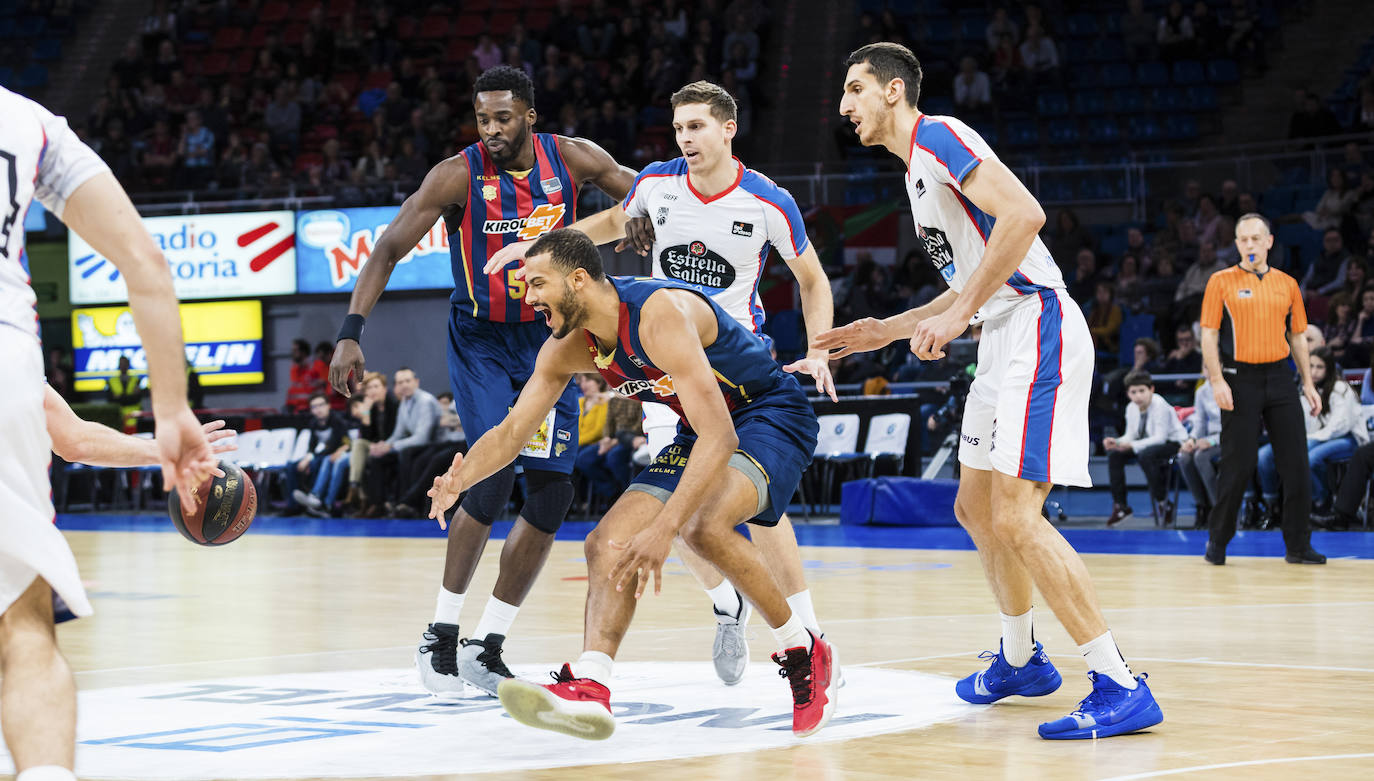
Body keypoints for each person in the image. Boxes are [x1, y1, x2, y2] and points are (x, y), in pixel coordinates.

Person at [819, 43, 1162, 739]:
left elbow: (1025, 215)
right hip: (1002, 330)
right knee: (975, 505)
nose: (844, 105)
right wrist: (888, 328)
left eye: (854, 89)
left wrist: (954, 313)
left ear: (893, 90)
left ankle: (1119, 681)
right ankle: (1020, 659)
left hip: (1039, 322)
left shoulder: (940, 135)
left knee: (1015, 513)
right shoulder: (917, 175)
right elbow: (969, 285)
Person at [485, 79, 838, 687]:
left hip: (733, 363)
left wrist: (818, 349)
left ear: (729, 127)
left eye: (697, 127)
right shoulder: (656, 183)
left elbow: (812, 279)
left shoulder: (767, 200)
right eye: (678, 129)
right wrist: (532, 246)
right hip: (657, 365)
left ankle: (808, 633)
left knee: (753, 513)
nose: (686, 139)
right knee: (672, 507)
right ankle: (726, 607)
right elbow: (613, 221)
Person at [426, 229, 837, 739]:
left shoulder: (657, 315)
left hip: (769, 414)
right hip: (700, 428)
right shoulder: (567, 347)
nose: (528, 297)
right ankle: (593, 684)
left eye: (537, 284)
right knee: (606, 543)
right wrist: (458, 481)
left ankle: (804, 648)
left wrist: (664, 529)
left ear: (578, 280)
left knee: (702, 527)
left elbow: (721, 435)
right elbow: (511, 433)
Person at [328, 65, 637, 697]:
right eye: (481, 118)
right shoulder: (457, 174)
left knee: (552, 496)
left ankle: (485, 643)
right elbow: (387, 248)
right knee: (492, 478)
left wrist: (649, 214)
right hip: (482, 340)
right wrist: (351, 331)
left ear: (529, 115)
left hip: (552, 338)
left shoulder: (572, 159)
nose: (491, 129)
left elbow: (639, 190)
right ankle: (440, 634)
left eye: (502, 117)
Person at [1, 86, 215, 781]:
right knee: (23, 625)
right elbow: (146, 263)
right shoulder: (26, 120)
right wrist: (171, 410)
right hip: (6, 359)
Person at [1199, 212, 1326, 565]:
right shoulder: (1220, 281)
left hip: (1280, 377)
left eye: (1256, 238)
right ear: (1237, 244)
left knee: (1297, 464)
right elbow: (1208, 335)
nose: (1250, 245)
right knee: (1238, 465)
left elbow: (1298, 337)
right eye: (1243, 239)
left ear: (1269, 241)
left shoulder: (1287, 284)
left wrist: (1309, 384)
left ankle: (1298, 546)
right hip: (1239, 379)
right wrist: (1217, 380)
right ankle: (1218, 542)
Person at [1255, 347, 1360, 519]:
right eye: (1311, 366)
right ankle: (1272, 505)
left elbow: (1339, 427)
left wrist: (1308, 439)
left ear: (1329, 368)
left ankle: (1321, 501)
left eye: (1320, 367)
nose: (1314, 372)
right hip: (1314, 438)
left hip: (1346, 438)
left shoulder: (1341, 388)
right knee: (1265, 455)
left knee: (1308, 457)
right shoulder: (1304, 389)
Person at [1103, 371, 1188, 526]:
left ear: (1151, 389)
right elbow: (1131, 435)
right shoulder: (1131, 408)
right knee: (1115, 456)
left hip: (1173, 442)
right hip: (1145, 444)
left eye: (1142, 391)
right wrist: (1117, 442)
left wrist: (1131, 445)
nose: (1138, 396)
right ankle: (1121, 506)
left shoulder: (1159, 404)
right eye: (1133, 392)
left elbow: (1160, 438)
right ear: (1128, 394)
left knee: (1145, 456)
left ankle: (1164, 503)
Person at [360, 367, 440, 515]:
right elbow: (398, 433)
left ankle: (405, 503)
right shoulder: (405, 401)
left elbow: (423, 437)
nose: (404, 385)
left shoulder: (425, 401)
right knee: (377, 458)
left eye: (408, 381)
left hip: (433, 445)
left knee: (405, 454)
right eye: (400, 382)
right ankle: (379, 504)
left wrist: (391, 446)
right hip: (414, 445)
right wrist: (384, 445)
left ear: (416, 382)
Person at [288, 394, 350, 518]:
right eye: (314, 407)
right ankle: (294, 506)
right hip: (319, 455)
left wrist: (311, 458)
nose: (318, 409)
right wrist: (307, 457)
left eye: (321, 405)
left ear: (328, 406)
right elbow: (312, 446)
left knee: (317, 462)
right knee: (290, 466)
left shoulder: (337, 421)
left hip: (332, 455)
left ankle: (316, 499)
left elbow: (339, 445)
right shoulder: (313, 424)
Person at [1179, 378, 1222, 528]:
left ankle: (1218, 509)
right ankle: (1202, 506)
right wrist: (1192, 439)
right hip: (1208, 436)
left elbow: (1237, 424)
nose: (1209, 370)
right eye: (1205, 366)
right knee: (1184, 457)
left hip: (1229, 437)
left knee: (1200, 456)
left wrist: (1212, 441)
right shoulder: (1202, 391)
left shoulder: (1234, 386)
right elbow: (1200, 422)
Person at [285, 338, 325, 413]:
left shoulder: (317, 365)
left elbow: (325, 388)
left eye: (295, 351)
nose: (292, 353)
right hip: (296, 411)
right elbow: (293, 390)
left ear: (303, 352)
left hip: (314, 410)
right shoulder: (294, 369)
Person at [106, 354, 144, 430]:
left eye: (125, 364)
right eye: (121, 364)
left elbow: (136, 399)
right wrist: (129, 397)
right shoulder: (111, 381)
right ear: (118, 365)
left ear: (128, 365)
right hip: (117, 419)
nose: (123, 366)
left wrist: (119, 397)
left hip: (134, 420)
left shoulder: (136, 380)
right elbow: (110, 400)